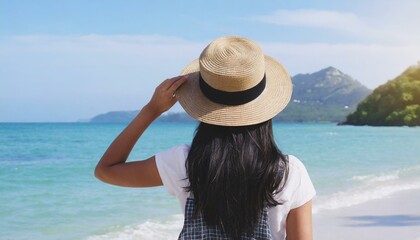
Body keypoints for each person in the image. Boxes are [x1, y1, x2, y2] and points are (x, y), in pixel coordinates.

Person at [95, 36, 316, 240]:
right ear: (263, 107)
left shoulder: (184, 162)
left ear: (203, 101)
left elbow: (106, 170)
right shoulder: (289, 171)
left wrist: (151, 110)